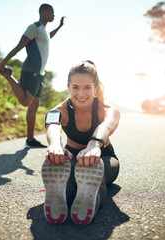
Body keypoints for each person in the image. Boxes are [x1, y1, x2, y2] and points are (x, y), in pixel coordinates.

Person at [41, 60, 120, 225]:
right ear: (68, 87)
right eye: (75, 87)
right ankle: (61, 196)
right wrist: (55, 145)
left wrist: (94, 145)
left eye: (87, 87)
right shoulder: (60, 110)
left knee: (95, 172)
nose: (81, 93)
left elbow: (107, 125)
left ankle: (91, 198)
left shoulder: (108, 110)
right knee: (70, 183)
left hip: (103, 158)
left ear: (95, 88)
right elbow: (52, 124)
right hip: (72, 157)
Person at [0, 3, 65, 148]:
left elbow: (49, 37)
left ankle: (30, 140)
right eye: (52, 13)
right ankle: (7, 74)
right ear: (44, 12)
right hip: (31, 70)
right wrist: (2, 63)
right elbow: (19, 46)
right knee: (25, 102)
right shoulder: (34, 28)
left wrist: (60, 26)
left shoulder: (43, 30)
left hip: (40, 72)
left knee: (34, 104)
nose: (54, 16)